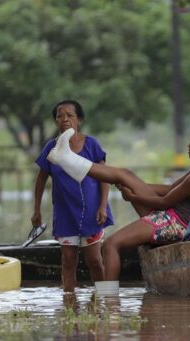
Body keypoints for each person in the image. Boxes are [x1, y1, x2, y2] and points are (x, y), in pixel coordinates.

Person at [47, 122, 190, 288]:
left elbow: (165, 200)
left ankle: (108, 302)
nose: (189, 145)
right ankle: (67, 159)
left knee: (110, 245)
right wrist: (134, 186)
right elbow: (169, 189)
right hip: (170, 215)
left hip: (176, 224)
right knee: (126, 175)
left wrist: (134, 196)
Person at [32, 99, 113, 293]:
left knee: (94, 260)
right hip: (65, 212)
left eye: (70, 115)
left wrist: (103, 205)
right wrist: (36, 210)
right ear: (55, 122)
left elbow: (105, 177)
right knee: (68, 261)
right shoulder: (51, 148)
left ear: (79, 120)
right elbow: (41, 180)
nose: (65, 119)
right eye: (60, 116)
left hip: (92, 211)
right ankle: (69, 303)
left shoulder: (91, 145)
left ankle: (103, 300)